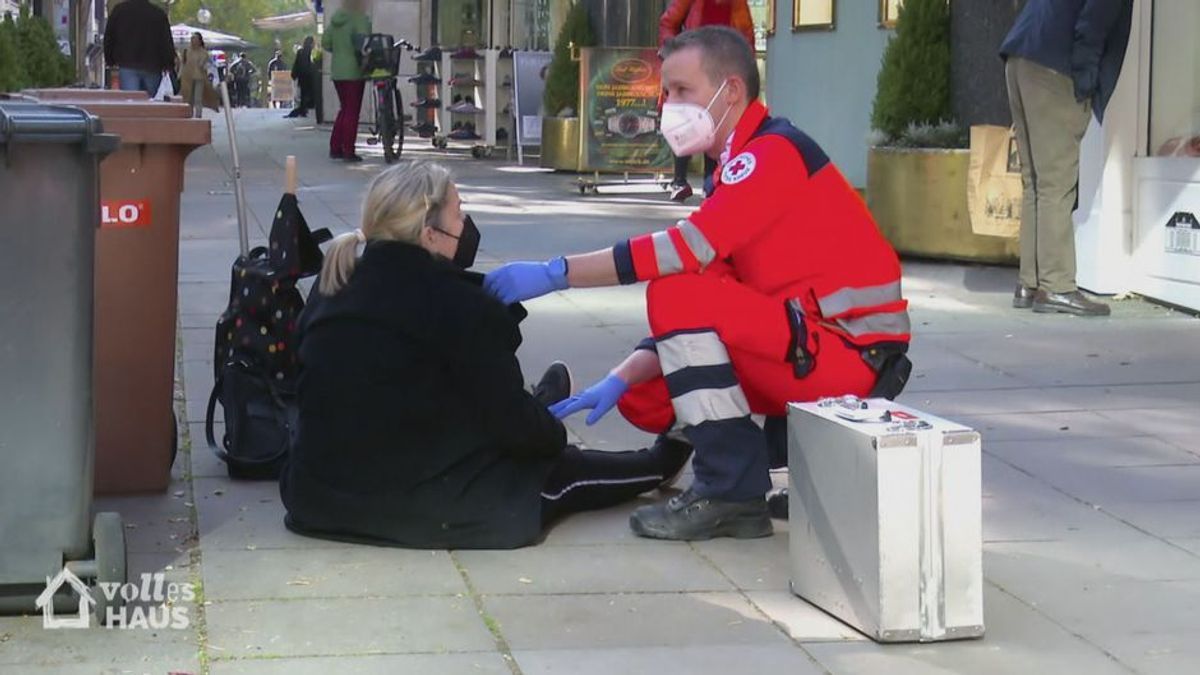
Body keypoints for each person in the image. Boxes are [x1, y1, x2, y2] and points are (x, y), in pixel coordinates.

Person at [483, 26, 911, 542]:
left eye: (682, 91)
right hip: (813, 345)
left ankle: (730, 491)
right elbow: (715, 276)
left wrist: (557, 272)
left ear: (730, 91)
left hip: (848, 360)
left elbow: (682, 252)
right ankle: (754, 465)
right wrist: (621, 376)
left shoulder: (770, 155)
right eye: (666, 92)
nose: (669, 104)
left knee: (673, 290)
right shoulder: (740, 161)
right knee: (645, 395)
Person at [279, 161, 692, 550]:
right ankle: (657, 464)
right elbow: (522, 433)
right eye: (459, 214)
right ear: (429, 233)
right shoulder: (459, 305)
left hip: (316, 496)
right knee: (562, 470)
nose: (466, 224)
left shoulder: (333, 283)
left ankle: (537, 403)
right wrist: (547, 428)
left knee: (432, 385)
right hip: (425, 506)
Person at [1000, 0, 1132, 317]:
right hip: (1054, 68)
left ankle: (1029, 283)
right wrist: (1085, 85)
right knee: (1056, 183)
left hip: (1022, 57)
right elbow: (1092, 27)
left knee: (1036, 182)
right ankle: (1056, 287)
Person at [658, 0, 754, 202]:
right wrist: (674, 52)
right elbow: (668, 22)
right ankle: (679, 181)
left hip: (722, 65)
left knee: (716, 120)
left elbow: (746, 32)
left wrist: (746, 64)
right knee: (686, 118)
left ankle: (711, 182)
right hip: (694, 64)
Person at [322, 0, 372, 162]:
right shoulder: (360, 19)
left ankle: (335, 146)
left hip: (337, 71)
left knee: (344, 109)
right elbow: (366, 44)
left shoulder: (336, 20)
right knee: (352, 111)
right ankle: (348, 150)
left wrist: (340, 50)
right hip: (354, 71)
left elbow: (326, 43)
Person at [102, 0, 176, 95]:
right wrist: (168, 63)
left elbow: (109, 36)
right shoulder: (158, 14)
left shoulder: (120, 11)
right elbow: (166, 41)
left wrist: (110, 60)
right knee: (151, 101)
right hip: (152, 65)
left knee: (131, 101)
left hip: (127, 62)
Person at [179, 32, 215, 119]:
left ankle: (198, 115)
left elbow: (203, 64)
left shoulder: (203, 52)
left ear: (199, 41)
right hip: (188, 77)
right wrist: (180, 75)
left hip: (199, 77)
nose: (193, 41)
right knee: (188, 97)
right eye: (192, 39)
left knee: (197, 98)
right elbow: (183, 64)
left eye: (195, 39)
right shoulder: (186, 51)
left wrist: (201, 63)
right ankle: (189, 114)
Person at [287, 37, 316, 118]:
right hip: (309, 76)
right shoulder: (311, 52)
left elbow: (297, 64)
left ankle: (303, 110)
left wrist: (294, 74)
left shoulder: (301, 52)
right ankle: (305, 108)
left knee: (303, 93)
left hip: (302, 76)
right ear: (311, 44)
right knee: (308, 93)